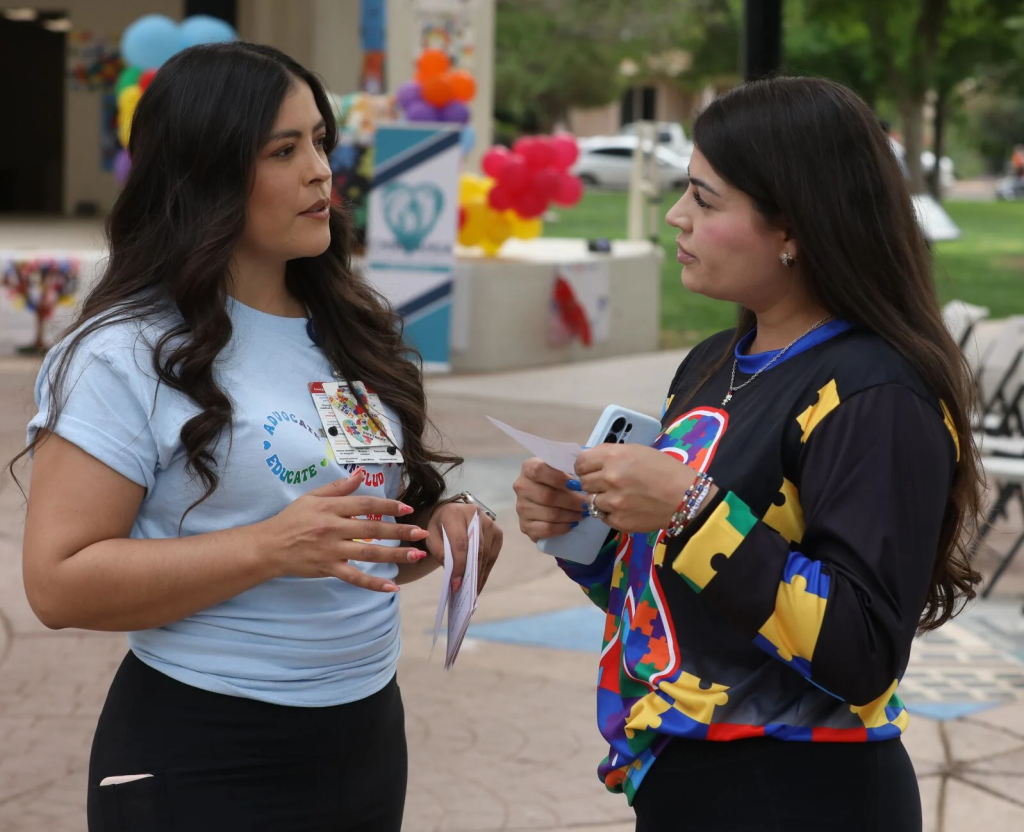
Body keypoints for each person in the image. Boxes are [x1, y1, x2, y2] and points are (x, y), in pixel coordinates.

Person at [11, 42, 503, 832]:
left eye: (319, 142)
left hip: (364, 739)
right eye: (284, 150)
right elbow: (58, 583)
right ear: (203, 172)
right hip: (203, 752)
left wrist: (441, 535)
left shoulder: (349, 328)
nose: (319, 171)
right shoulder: (125, 351)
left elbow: (350, 546)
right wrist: (268, 547)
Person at [514, 76, 981, 832]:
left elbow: (861, 650)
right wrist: (587, 534)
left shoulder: (876, 393)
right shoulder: (712, 361)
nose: (676, 216)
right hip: (686, 777)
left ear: (792, 226)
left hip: (802, 791)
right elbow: (686, 605)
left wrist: (688, 509)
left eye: (704, 199)